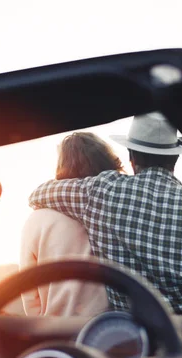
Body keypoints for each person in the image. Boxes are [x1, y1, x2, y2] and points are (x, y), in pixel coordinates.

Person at [29, 112, 182, 312]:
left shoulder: (102, 192)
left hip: (147, 347)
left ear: (131, 157)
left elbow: (39, 193)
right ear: (175, 156)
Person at [20, 132, 124, 316]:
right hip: (114, 330)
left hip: (59, 332)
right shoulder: (119, 209)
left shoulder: (36, 220)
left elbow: (30, 295)